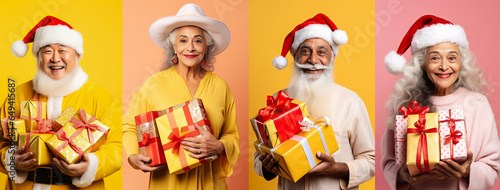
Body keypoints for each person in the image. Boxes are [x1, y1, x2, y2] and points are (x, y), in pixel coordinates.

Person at [122, 3, 239, 190]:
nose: (190, 48)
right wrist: (133, 156)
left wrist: (219, 146)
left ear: (206, 47)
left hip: (211, 184)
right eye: (183, 41)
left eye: (198, 41)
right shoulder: (154, 85)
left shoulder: (221, 87)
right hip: (168, 184)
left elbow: (231, 134)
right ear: (173, 47)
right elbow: (129, 125)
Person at [253, 13, 375, 190]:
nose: (313, 60)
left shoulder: (351, 101)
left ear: (332, 58)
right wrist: (267, 168)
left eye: (321, 52)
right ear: (295, 57)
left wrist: (337, 169)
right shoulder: (278, 102)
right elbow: (258, 156)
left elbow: (370, 160)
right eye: (305, 51)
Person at [0, 16, 122, 189]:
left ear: (77, 54)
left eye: (63, 50)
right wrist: (11, 160)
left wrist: (92, 165)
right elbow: (1, 140)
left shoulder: (99, 97)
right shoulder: (18, 95)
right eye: (47, 51)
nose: (55, 58)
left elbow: (117, 147)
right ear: (38, 56)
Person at [381, 15, 500, 189]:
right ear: (422, 64)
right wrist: (402, 175)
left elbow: (492, 167)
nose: (444, 67)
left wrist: (468, 171)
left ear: (461, 63)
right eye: (435, 58)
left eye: (452, 58)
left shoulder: (478, 103)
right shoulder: (408, 107)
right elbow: (389, 163)